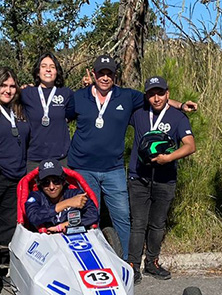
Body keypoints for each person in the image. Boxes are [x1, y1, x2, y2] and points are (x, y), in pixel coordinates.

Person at [69, 55, 196, 258]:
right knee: (89, 216)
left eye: (109, 73)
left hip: (114, 169)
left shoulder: (127, 96)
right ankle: (91, 261)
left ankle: (126, 262)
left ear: (115, 76)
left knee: (122, 217)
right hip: (83, 167)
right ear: (93, 75)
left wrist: (180, 106)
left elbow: (157, 99)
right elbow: (58, 116)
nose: (105, 77)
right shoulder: (78, 97)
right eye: (101, 73)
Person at [126, 76, 196, 282]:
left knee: (157, 224)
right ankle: (133, 265)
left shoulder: (178, 117)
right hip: (138, 176)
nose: (156, 98)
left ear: (168, 94)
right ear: (146, 96)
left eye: (160, 93)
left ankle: (152, 263)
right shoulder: (137, 114)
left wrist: (169, 158)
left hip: (165, 179)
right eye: (151, 94)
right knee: (138, 223)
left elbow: (190, 145)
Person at [0, 67, 31, 284]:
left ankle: (6, 269)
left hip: (17, 176)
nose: (8, 90)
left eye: (12, 86)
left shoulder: (20, 110)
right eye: (3, 85)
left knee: (9, 225)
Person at [20, 52, 74, 172]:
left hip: (61, 158)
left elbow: (72, 115)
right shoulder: (26, 93)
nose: (48, 70)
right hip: (34, 158)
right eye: (44, 66)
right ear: (38, 71)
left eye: (52, 67)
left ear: (57, 72)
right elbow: (1, 98)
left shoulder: (66, 93)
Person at [24, 159, 99, 231]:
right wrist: (66, 203)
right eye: (46, 182)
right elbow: (33, 217)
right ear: (40, 184)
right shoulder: (35, 197)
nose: (51, 187)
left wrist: (66, 225)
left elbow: (94, 215)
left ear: (63, 182)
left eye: (56, 181)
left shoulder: (75, 194)